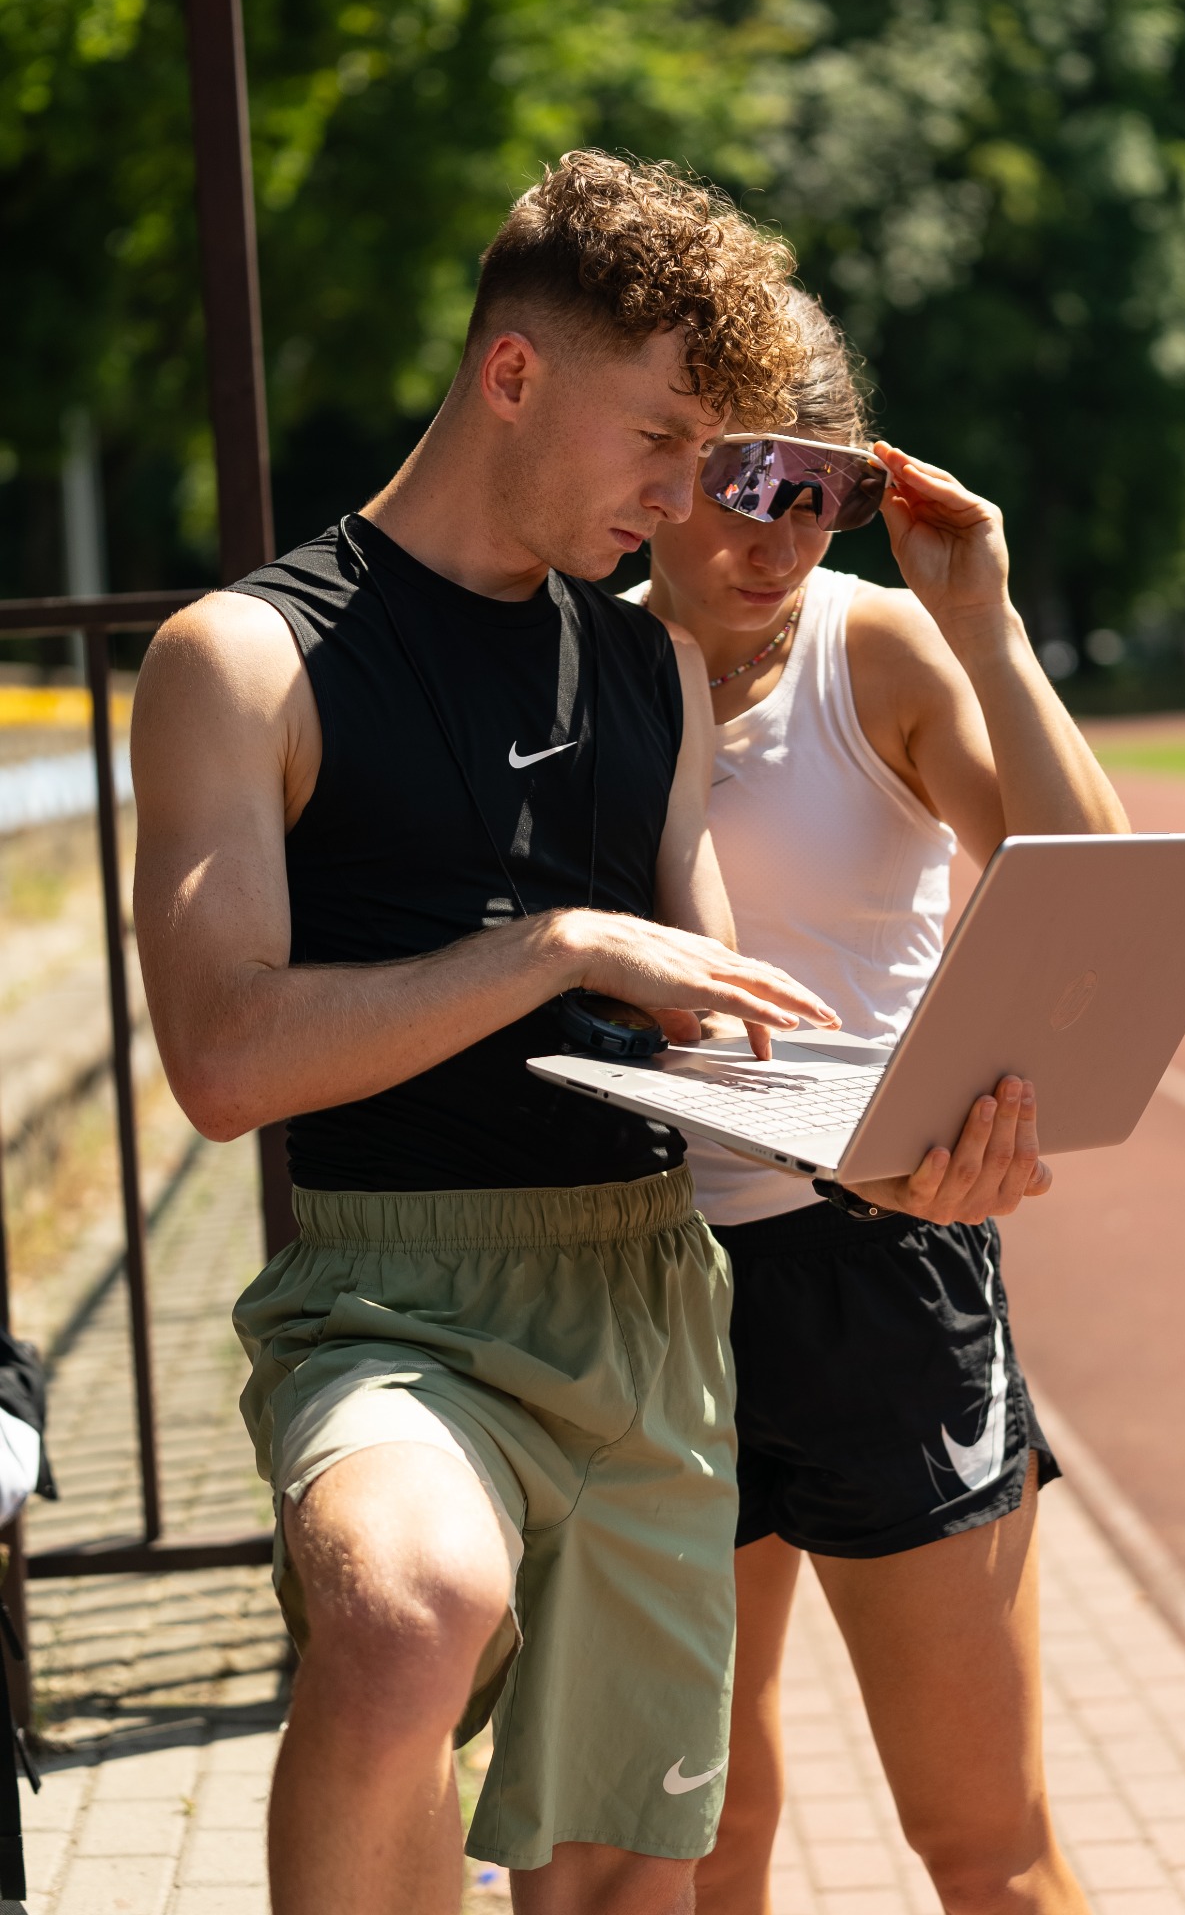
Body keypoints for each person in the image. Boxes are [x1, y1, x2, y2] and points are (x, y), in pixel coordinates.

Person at [131, 156, 1048, 1915]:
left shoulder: (649, 677)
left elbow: (714, 1053)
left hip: (652, 1300)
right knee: (409, 1616)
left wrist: (912, 1165)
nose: (690, 493)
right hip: (396, 1299)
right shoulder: (240, 657)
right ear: (514, 374)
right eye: (662, 437)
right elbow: (226, 1061)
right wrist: (551, 945)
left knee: (631, 1881)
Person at [631, 291, 1130, 1915]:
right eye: (751, 479)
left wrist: (983, 625)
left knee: (980, 1843)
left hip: (882, 1270)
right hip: (644, 1286)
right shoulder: (581, 658)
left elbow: (1096, 901)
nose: (789, 529)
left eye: (826, 488)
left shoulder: (874, 645)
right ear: (664, 460)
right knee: (702, 1836)